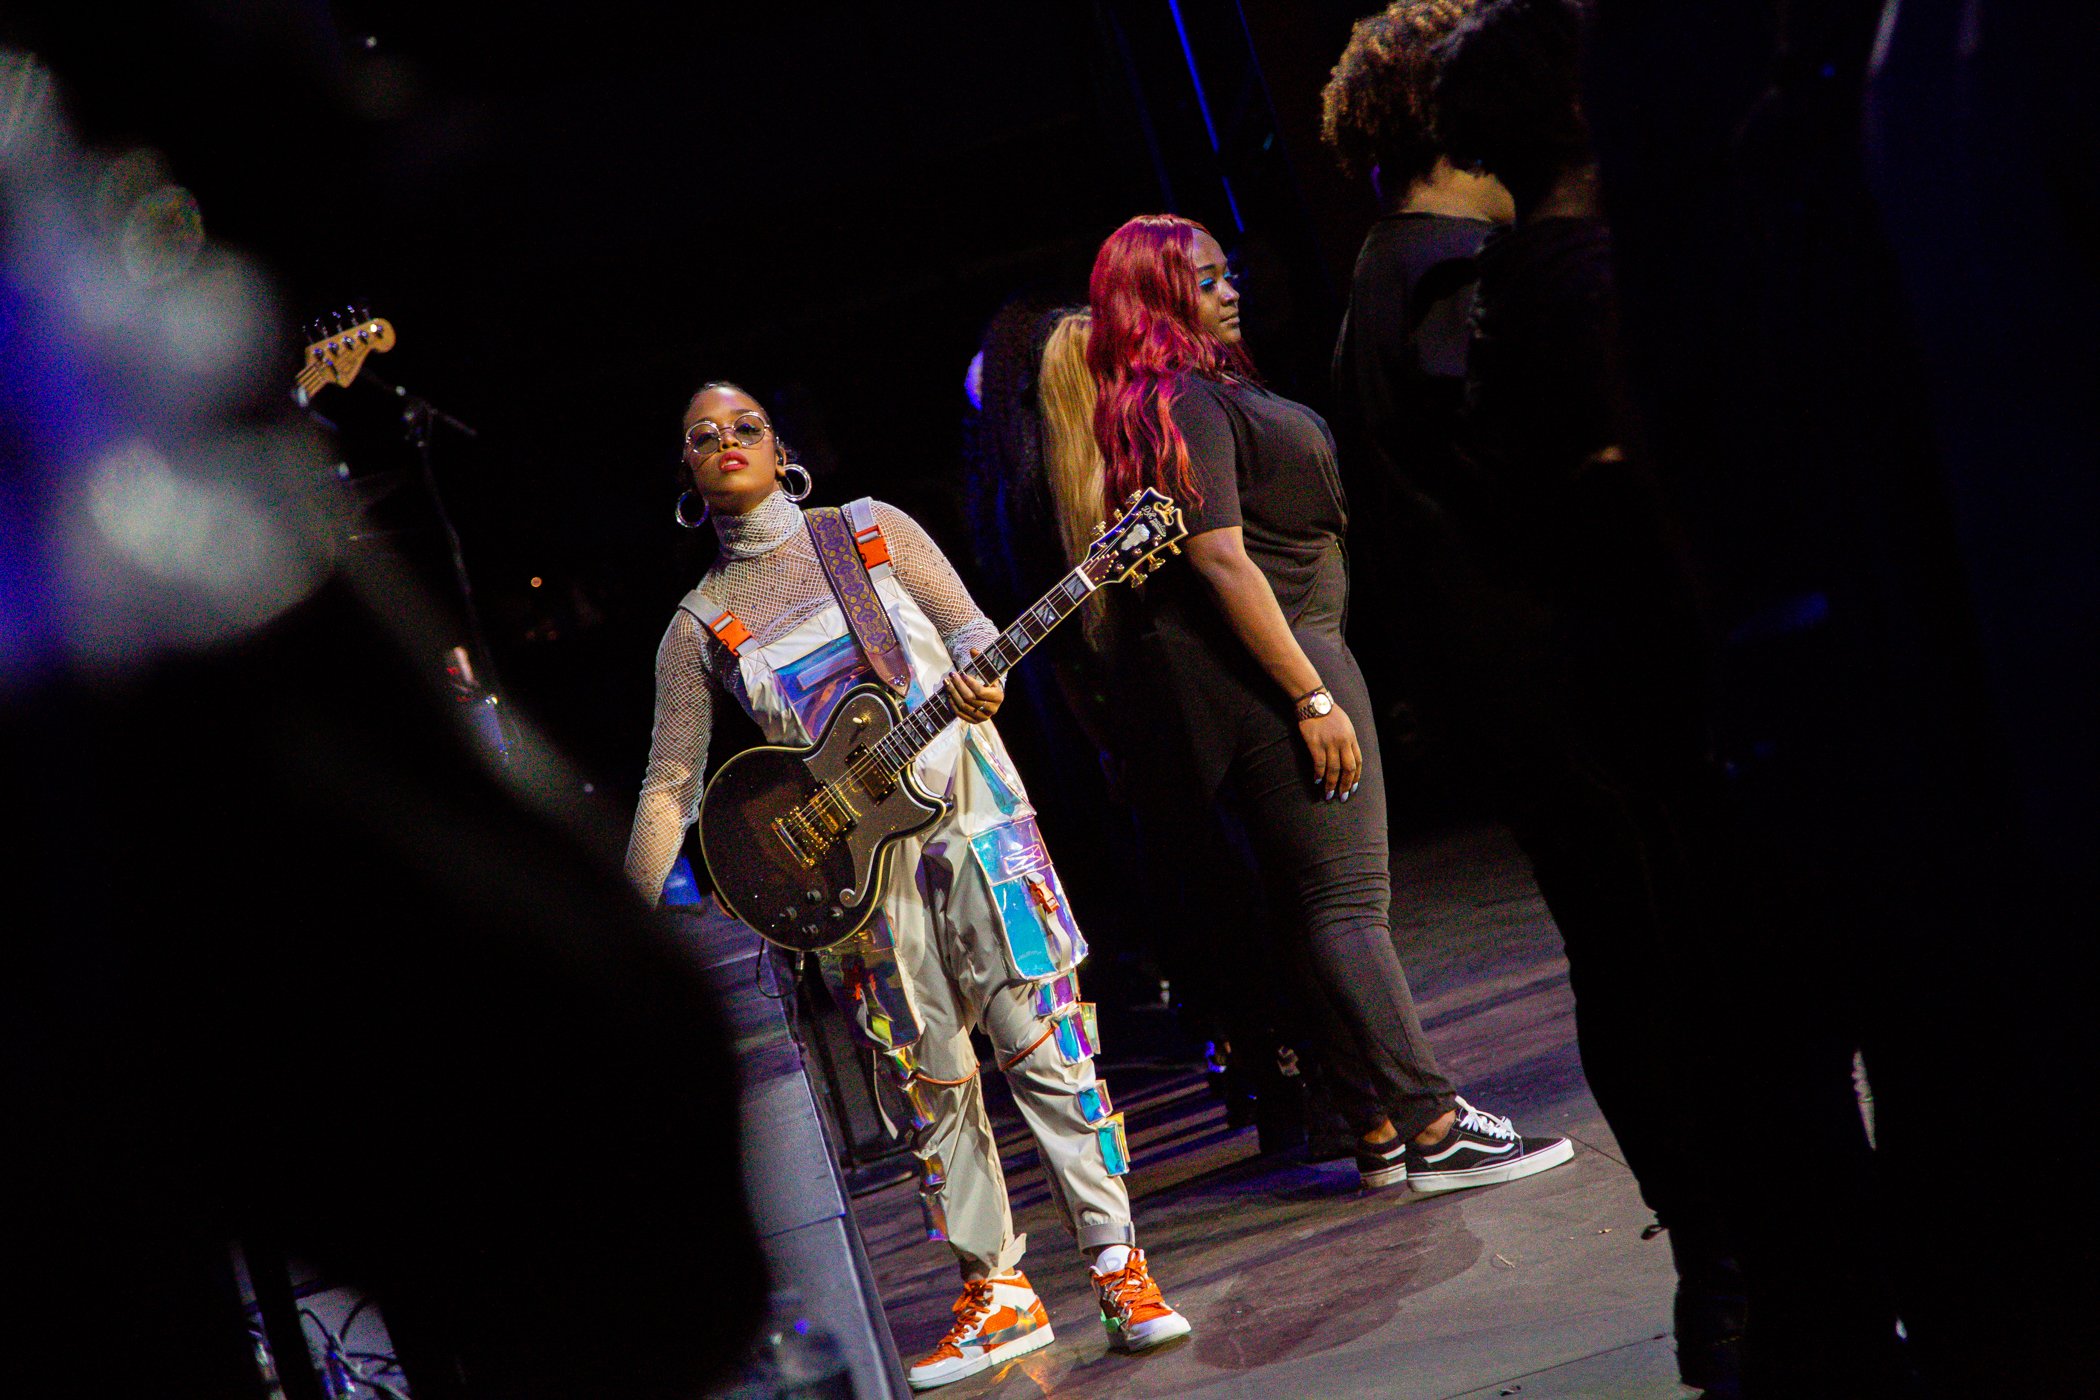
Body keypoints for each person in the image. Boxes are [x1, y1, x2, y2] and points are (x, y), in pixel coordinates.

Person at [623, 382, 1190, 1390]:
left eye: (745, 425)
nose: (725, 442)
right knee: (928, 1083)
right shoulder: (696, 624)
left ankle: (1119, 1265)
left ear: (782, 446)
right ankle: (996, 1289)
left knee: (1046, 1036)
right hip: (854, 875)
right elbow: (671, 782)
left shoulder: (872, 529)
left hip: (978, 820)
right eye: (701, 436)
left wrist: (988, 675)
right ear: (685, 474)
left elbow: (973, 630)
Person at [1084, 213, 1573, 1194]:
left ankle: (1380, 1119)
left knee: (1315, 906)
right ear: (1159, 296)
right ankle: (1433, 1118)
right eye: (1209, 279)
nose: (1233, 291)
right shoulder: (1181, 397)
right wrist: (1309, 690)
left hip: (1272, 665)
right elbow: (1220, 554)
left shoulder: (1173, 397)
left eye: (1230, 273)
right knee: (1348, 904)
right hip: (1282, 666)